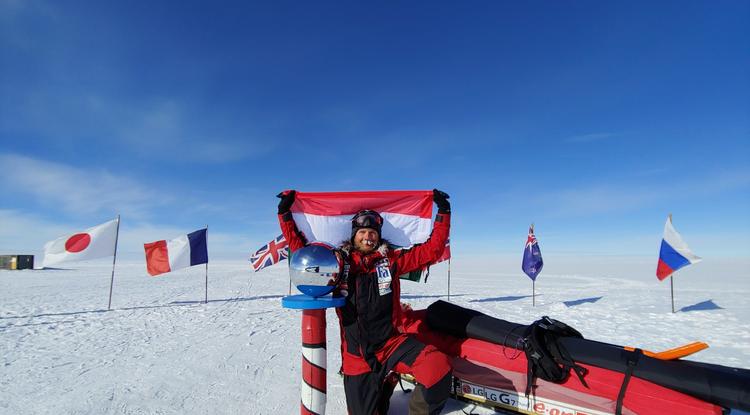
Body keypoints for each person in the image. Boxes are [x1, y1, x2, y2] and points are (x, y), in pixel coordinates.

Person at [277, 189, 452, 415]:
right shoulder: (339, 263)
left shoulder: (391, 262)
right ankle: (385, 385)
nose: (368, 236)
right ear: (353, 235)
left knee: (437, 367)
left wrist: (443, 212)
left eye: (372, 232)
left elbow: (432, 250)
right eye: (362, 232)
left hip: (391, 345)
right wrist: (285, 214)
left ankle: (393, 384)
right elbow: (303, 251)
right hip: (356, 357)